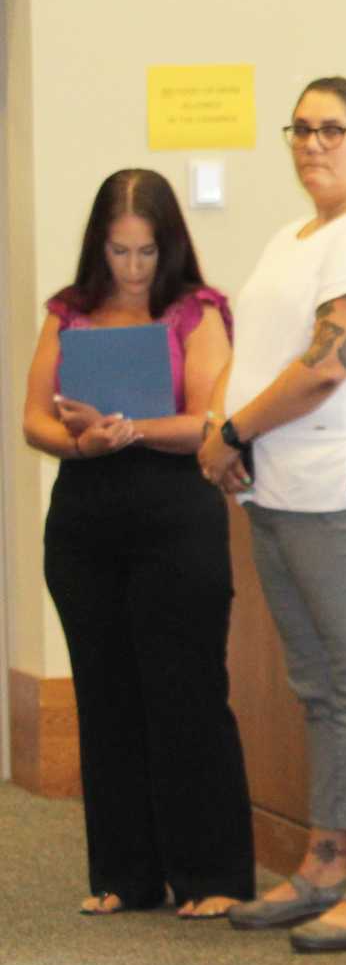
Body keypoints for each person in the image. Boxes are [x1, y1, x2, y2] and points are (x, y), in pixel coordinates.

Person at [203, 77, 346, 952]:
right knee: (318, 689)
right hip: (275, 486)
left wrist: (232, 432)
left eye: (332, 129)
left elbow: (328, 365)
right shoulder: (292, 235)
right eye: (299, 129)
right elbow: (254, 349)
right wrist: (227, 433)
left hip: (340, 482)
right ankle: (326, 860)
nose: (312, 145)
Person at [22, 169, 255, 919]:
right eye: (119, 252)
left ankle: (210, 874)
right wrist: (83, 442)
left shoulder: (196, 312)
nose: (131, 268)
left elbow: (206, 422)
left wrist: (130, 430)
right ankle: (125, 873)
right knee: (105, 689)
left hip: (173, 508)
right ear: (99, 248)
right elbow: (34, 420)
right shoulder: (69, 313)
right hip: (86, 513)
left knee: (184, 689)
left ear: (169, 248)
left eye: (146, 253)